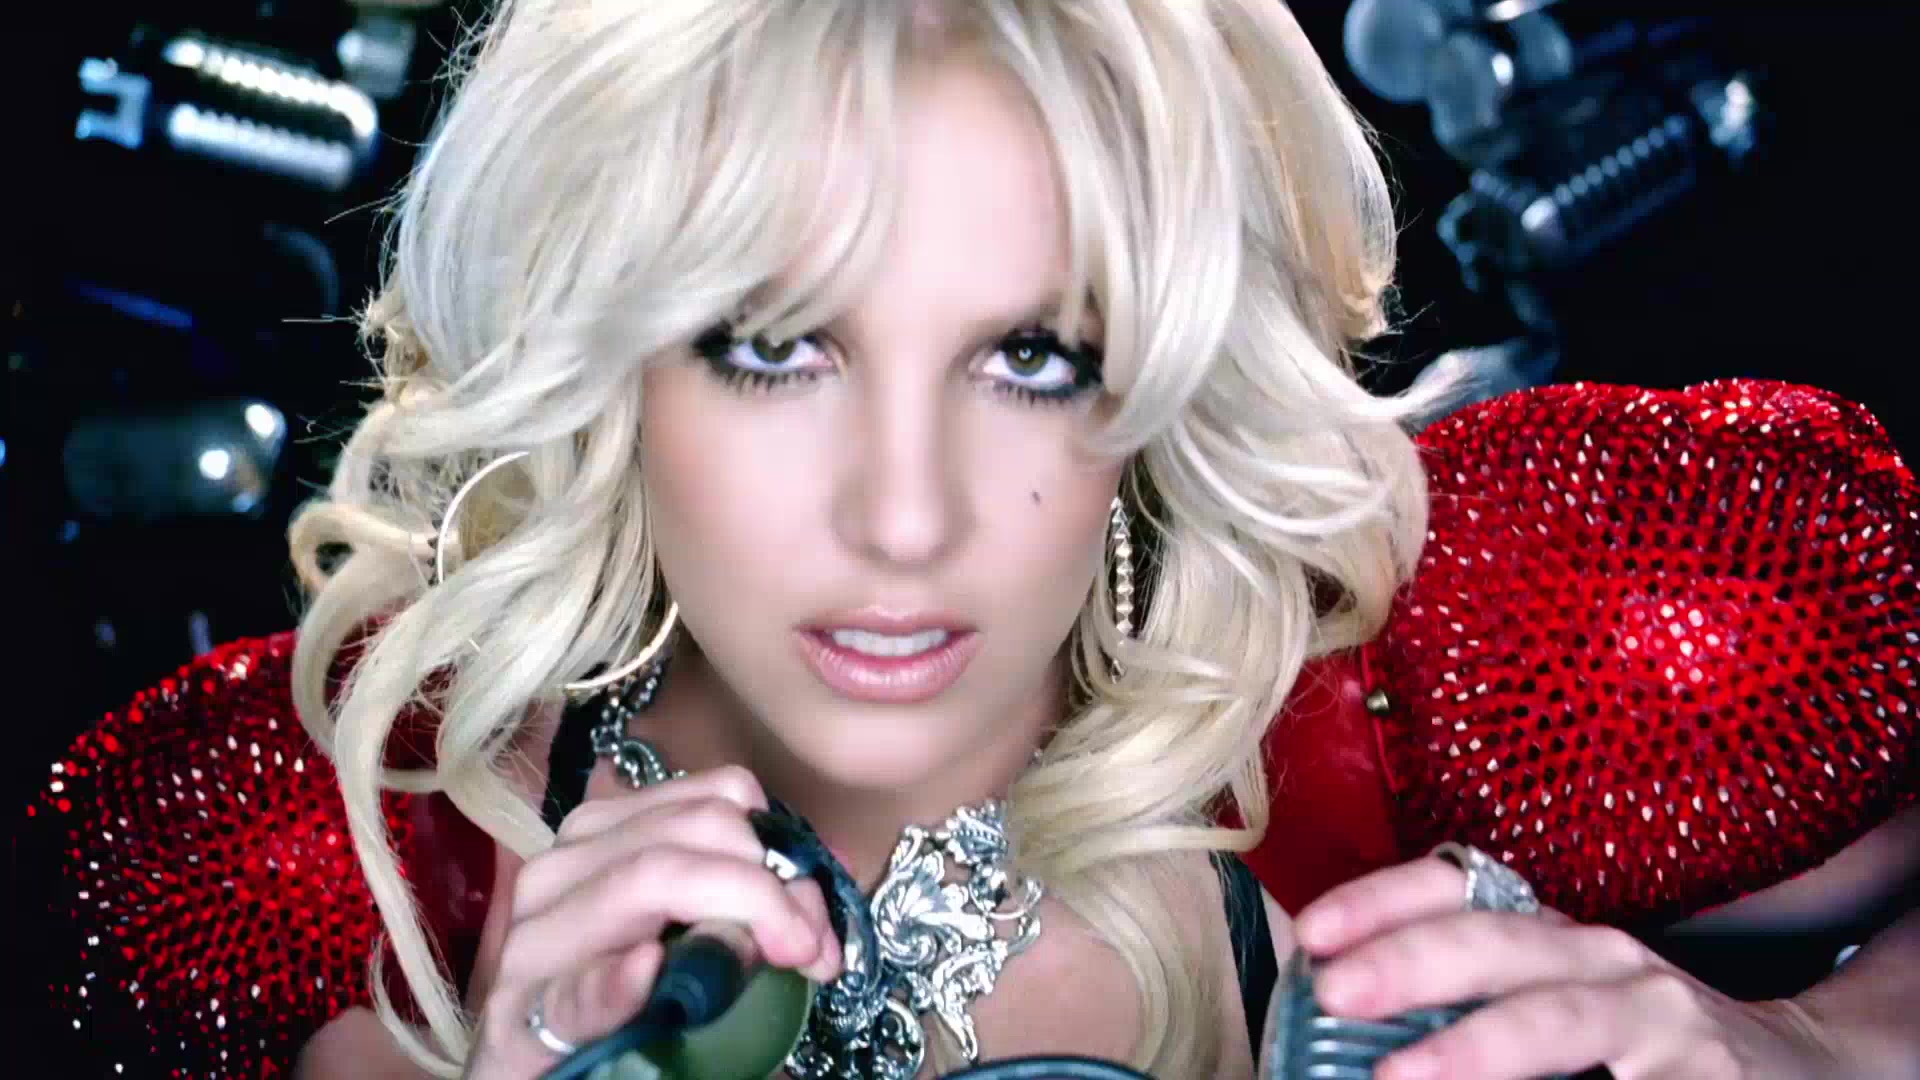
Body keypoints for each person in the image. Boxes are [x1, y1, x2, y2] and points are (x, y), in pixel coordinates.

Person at [25, 2, 1919, 1079]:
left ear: (1158, 371)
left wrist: (1801, 1057)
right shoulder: (347, 858)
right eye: (775, 350)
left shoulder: (1465, 677)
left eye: (1030, 356)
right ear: (603, 364)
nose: (908, 518)